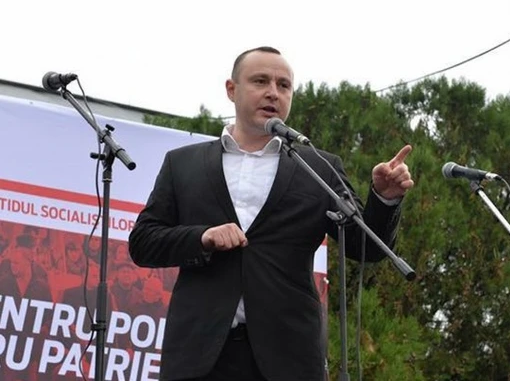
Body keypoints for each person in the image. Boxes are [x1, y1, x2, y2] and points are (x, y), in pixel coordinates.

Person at [128, 46, 414, 381]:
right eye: (260, 81)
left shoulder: (318, 167)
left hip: (289, 358)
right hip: (199, 356)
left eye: (283, 85)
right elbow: (143, 243)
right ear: (231, 89)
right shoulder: (183, 163)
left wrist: (384, 199)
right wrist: (202, 237)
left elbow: (366, 248)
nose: (273, 93)